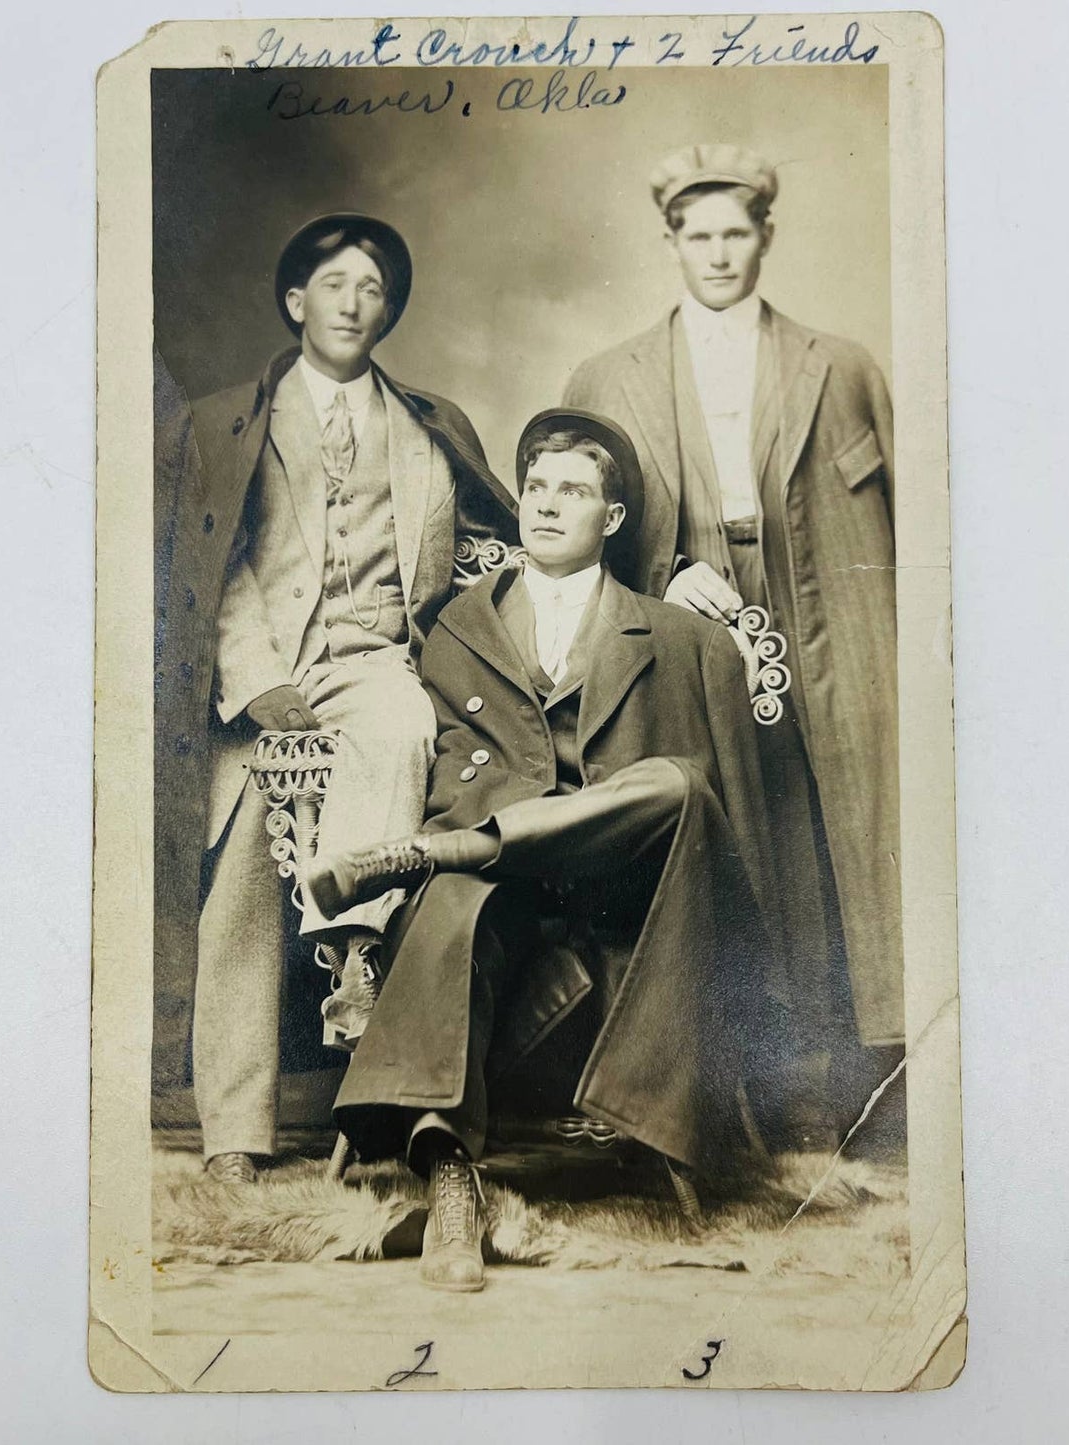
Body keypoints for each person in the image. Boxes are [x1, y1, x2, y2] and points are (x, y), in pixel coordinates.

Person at [306, 410, 793, 1291]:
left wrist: (473, 838)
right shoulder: (461, 625)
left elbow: (712, 806)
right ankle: (451, 1183)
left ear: (610, 517)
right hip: (510, 880)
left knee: (676, 782)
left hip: (627, 880)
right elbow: (454, 770)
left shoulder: (676, 634)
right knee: (459, 893)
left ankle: (430, 855)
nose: (544, 504)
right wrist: (490, 834)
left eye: (571, 490)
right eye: (534, 486)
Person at [153, 214, 517, 1182]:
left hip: (372, 659)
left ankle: (353, 959)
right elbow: (215, 567)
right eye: (337, 285)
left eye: (373, 289)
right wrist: (260, 682)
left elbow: (483, 554)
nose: (356, 303)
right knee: (237, 866)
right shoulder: (232, 420)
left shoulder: (429, 426)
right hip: (265, 663)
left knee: (400, 733)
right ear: (294, 303)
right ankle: (233, 1131)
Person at [562, 144, 902, 1146]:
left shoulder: (836, 364)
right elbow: (574, 519)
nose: (716, 254)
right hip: (686, 607)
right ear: (670, 243)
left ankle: (838, 1074)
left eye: (734, 234)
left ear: (764, 238)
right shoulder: (607, 374)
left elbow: (914, 514)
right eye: (696, 235)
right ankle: (723, 1086)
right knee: (731, 827)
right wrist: (664, 570)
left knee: (836, 824)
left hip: (824, 604)